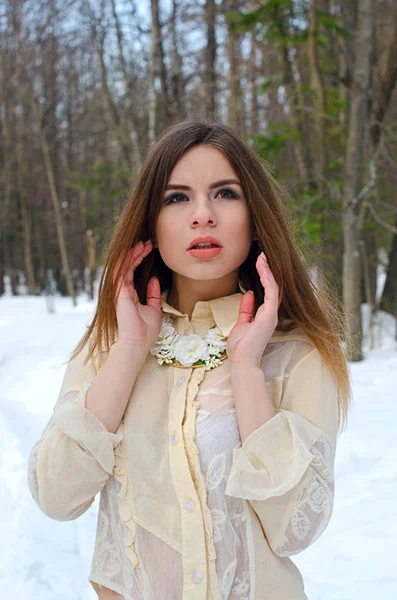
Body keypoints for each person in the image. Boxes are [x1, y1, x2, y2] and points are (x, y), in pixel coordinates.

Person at [27, 119, 351, 600]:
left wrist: (245, 370)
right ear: (150, 224)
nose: (203, 215)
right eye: (176, 198)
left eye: (225, 193)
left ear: (256, 216)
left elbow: (295, 531)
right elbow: (56, 497)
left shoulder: (296, 354)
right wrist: (130, 352)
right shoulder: (111, 346)